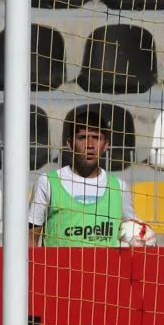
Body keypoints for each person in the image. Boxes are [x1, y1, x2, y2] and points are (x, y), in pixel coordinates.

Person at [29, 106, 137, 247]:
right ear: (70, 144)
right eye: (82, 138)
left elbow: (132, 232)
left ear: (106, 145)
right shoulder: (48, 182)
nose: (90, 145)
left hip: (106, 269)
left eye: (96, 138)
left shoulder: (119, 187)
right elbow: (31, 238)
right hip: (59, 268)